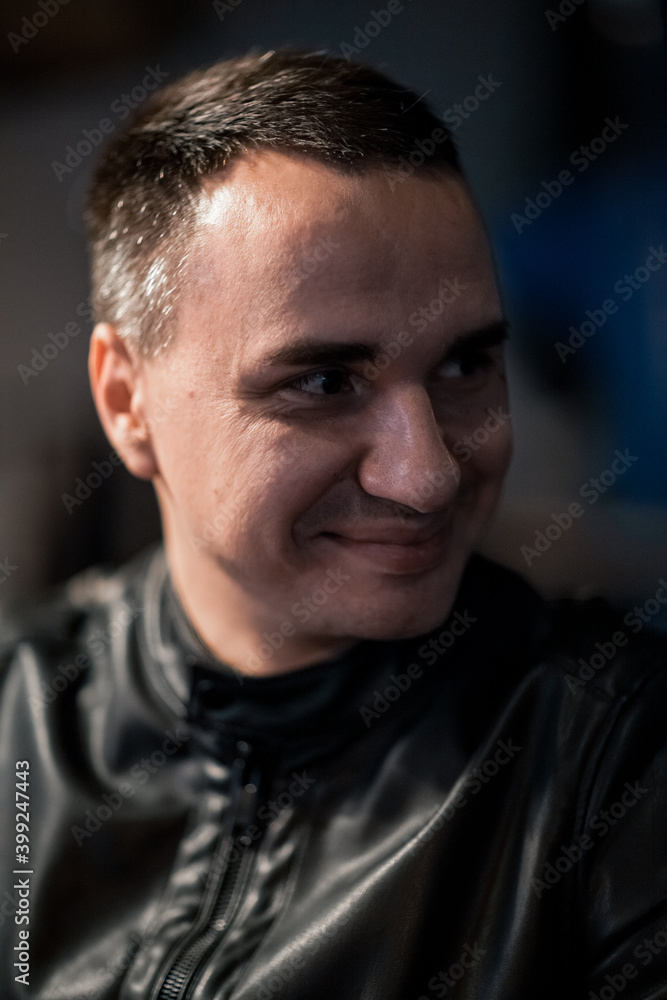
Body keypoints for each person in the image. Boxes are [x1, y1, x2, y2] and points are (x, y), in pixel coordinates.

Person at [1, 48, 666, 1000]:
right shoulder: (15, 714)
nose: (427, 474)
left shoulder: (614, 768)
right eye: (323, 382)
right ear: (127, 401)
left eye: (464, 365)